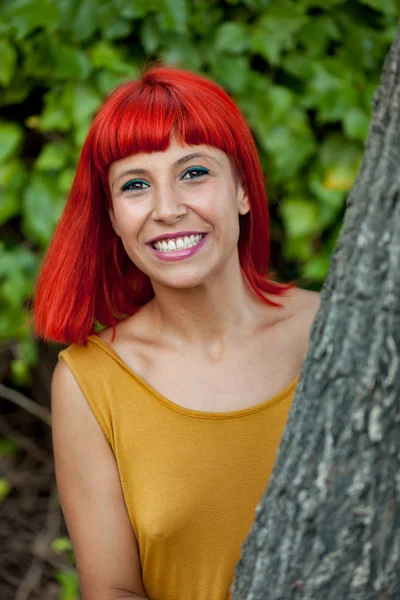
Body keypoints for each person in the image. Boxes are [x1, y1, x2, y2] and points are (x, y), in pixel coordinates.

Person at [33, 65, 320, 600]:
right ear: (113, 218)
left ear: (242, 191)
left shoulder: (330, 335)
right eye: (136, 185)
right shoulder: (90, 381)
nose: (168, 209)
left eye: (194, 173)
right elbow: (113, 590)